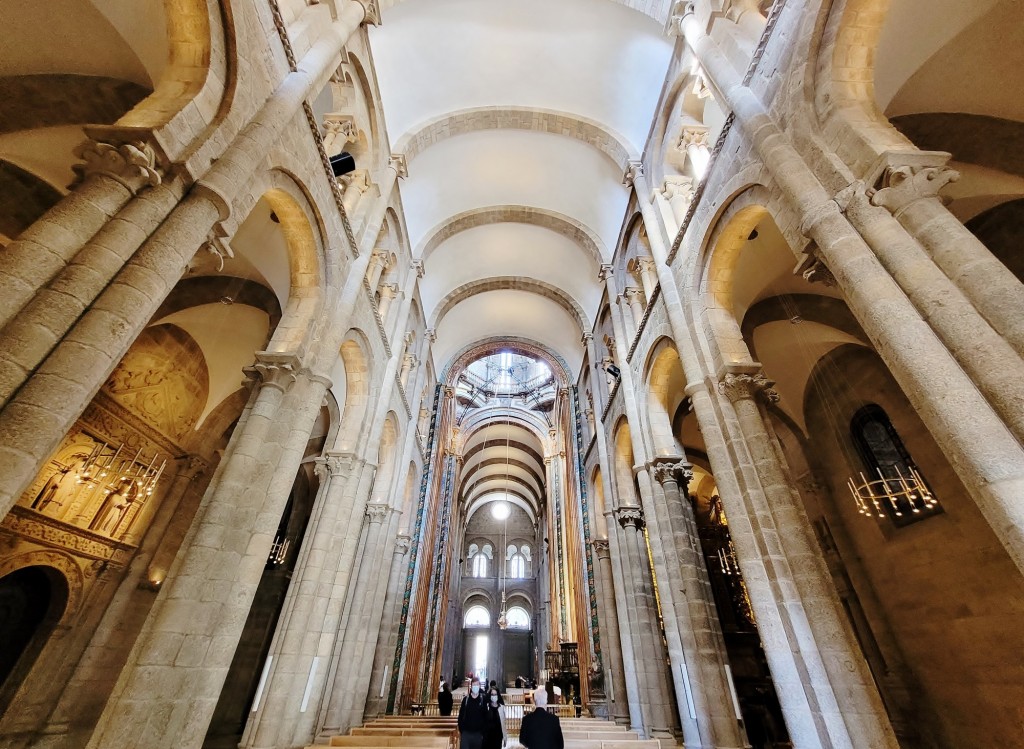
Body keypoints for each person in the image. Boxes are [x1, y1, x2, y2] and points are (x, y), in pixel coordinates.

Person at [458, 677, 487, 749]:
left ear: (479, 686)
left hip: (478, 734)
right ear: (471, 686)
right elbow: (461, 716)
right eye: (474, 685)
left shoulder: (483, 700)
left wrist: (483, 731)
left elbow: (486, 716)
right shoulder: (466, 699)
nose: (475, 687)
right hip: (466, 733)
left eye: (477, 685)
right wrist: (462, 730)